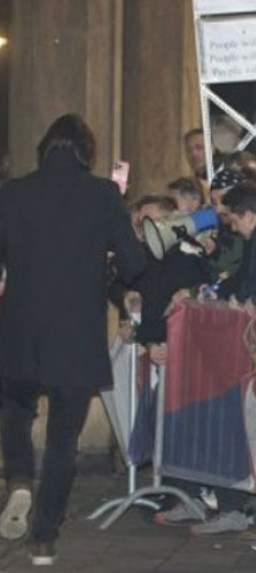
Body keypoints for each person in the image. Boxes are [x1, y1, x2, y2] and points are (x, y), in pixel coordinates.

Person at [0, 114, 146, 566]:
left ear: (45, 148)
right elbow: (134, 263)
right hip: (75, 337)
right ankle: (43, 539)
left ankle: (20, 479)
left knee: (14, 413)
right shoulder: (102, 194)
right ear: (87, 152)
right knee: (64, 441)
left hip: (20, 331)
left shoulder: (12, 192)